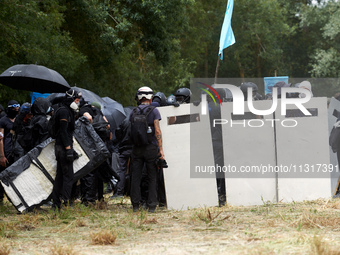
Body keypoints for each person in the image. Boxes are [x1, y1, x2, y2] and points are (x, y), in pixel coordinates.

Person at [129, 86, 165, 212]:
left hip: (137, 148)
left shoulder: (133, 111)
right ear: (150, 98)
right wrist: (161, 149)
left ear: (139, 97)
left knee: (136, 177)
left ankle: (135, 205)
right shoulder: (154, 111)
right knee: (152, 177)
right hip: (151, 148)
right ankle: (151, 206)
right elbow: (157, 130)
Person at [51, 89, 82, 209]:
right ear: (71, 99)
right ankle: (66, 202)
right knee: (68, 176)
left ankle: (56, 203)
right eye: (77, 100)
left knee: (60, 176)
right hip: (63, 147)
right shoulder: (64, 111)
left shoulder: (66, 110)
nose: (78, 103)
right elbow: (63, 132)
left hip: (61, 147)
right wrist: (68, 149)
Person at [0, 100, 20, 203]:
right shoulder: (3, 121)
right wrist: (2, 156)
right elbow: (0, 139)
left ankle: (13, 199)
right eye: (13, 109)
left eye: (17, 109)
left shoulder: (18, 120)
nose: (15, 111)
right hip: (5, 152)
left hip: (15, 152)